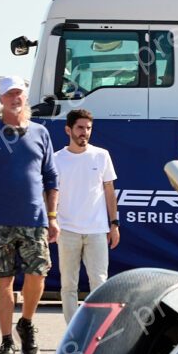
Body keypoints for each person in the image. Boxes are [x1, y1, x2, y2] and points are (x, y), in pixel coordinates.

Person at [0, 76, 59, 354]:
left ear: (25, 97)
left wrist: (53, 216)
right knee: (2, 281)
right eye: (10, 94)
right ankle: (7, 341)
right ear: (1, 100)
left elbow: (51, 177)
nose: (15, 98)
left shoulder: (41, 133)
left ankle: (27, 322)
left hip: (35, 219)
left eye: (19, 93)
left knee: (38, 275)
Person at [54, 109, 119, 323]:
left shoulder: (102, 155)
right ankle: (73, 333)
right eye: (80, 128)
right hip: (67, 230)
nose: (85, 132)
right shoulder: (57, 159)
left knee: (100, 284)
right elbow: (51, 194)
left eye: (88, 128)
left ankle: (96, 332)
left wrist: (114, 224)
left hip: (97, 230)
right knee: (68, 285)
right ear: (68, 129)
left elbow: (109, 191)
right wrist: (51, 220)